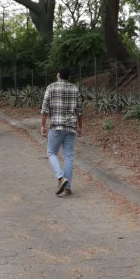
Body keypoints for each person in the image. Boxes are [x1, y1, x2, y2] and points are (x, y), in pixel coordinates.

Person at [40, 67, 83, 196]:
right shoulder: (75, 89)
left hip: (56, 126)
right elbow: (79, 111)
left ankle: (61, 177)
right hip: (71, 127)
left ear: (58, 74)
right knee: (69, 156)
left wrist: (42, 125)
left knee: (51, 152)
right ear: (68, 76)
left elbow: (44, 109)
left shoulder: (51, 87)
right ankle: (68, 187)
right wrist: (80, 127)